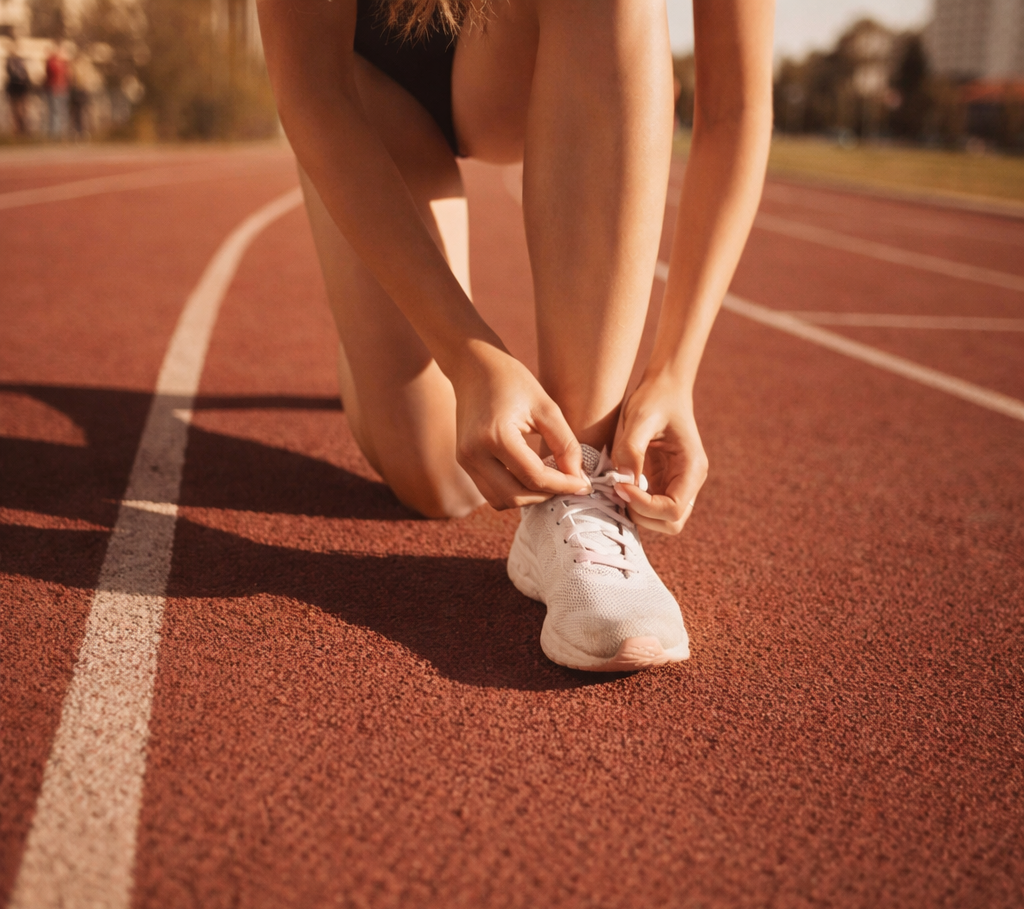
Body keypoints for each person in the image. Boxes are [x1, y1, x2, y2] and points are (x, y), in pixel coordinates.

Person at [256, 0, 774, 671]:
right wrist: (467, 357)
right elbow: (310, 87)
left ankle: (580, 484)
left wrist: (675, 369)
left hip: (516, 57)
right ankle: (367, 336)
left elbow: (736, 109)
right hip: (367, 78)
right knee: (441, 480)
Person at [4, 41, 32, 138]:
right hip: (15, 89)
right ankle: (18, 129)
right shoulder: (11, 61)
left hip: (20, 89)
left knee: (22, 109)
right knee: (16, 110)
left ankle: (22, 129)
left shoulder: (18, 61)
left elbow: (25, 75)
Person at [45, 43, 69, 140]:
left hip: (62, 89)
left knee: (63, 111)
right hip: (54, 89)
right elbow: (53, 73)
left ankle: (63, 132)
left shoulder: (63, 63)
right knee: (55, 112)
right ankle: (55, 133)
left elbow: (67, 75)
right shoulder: (52, 62)